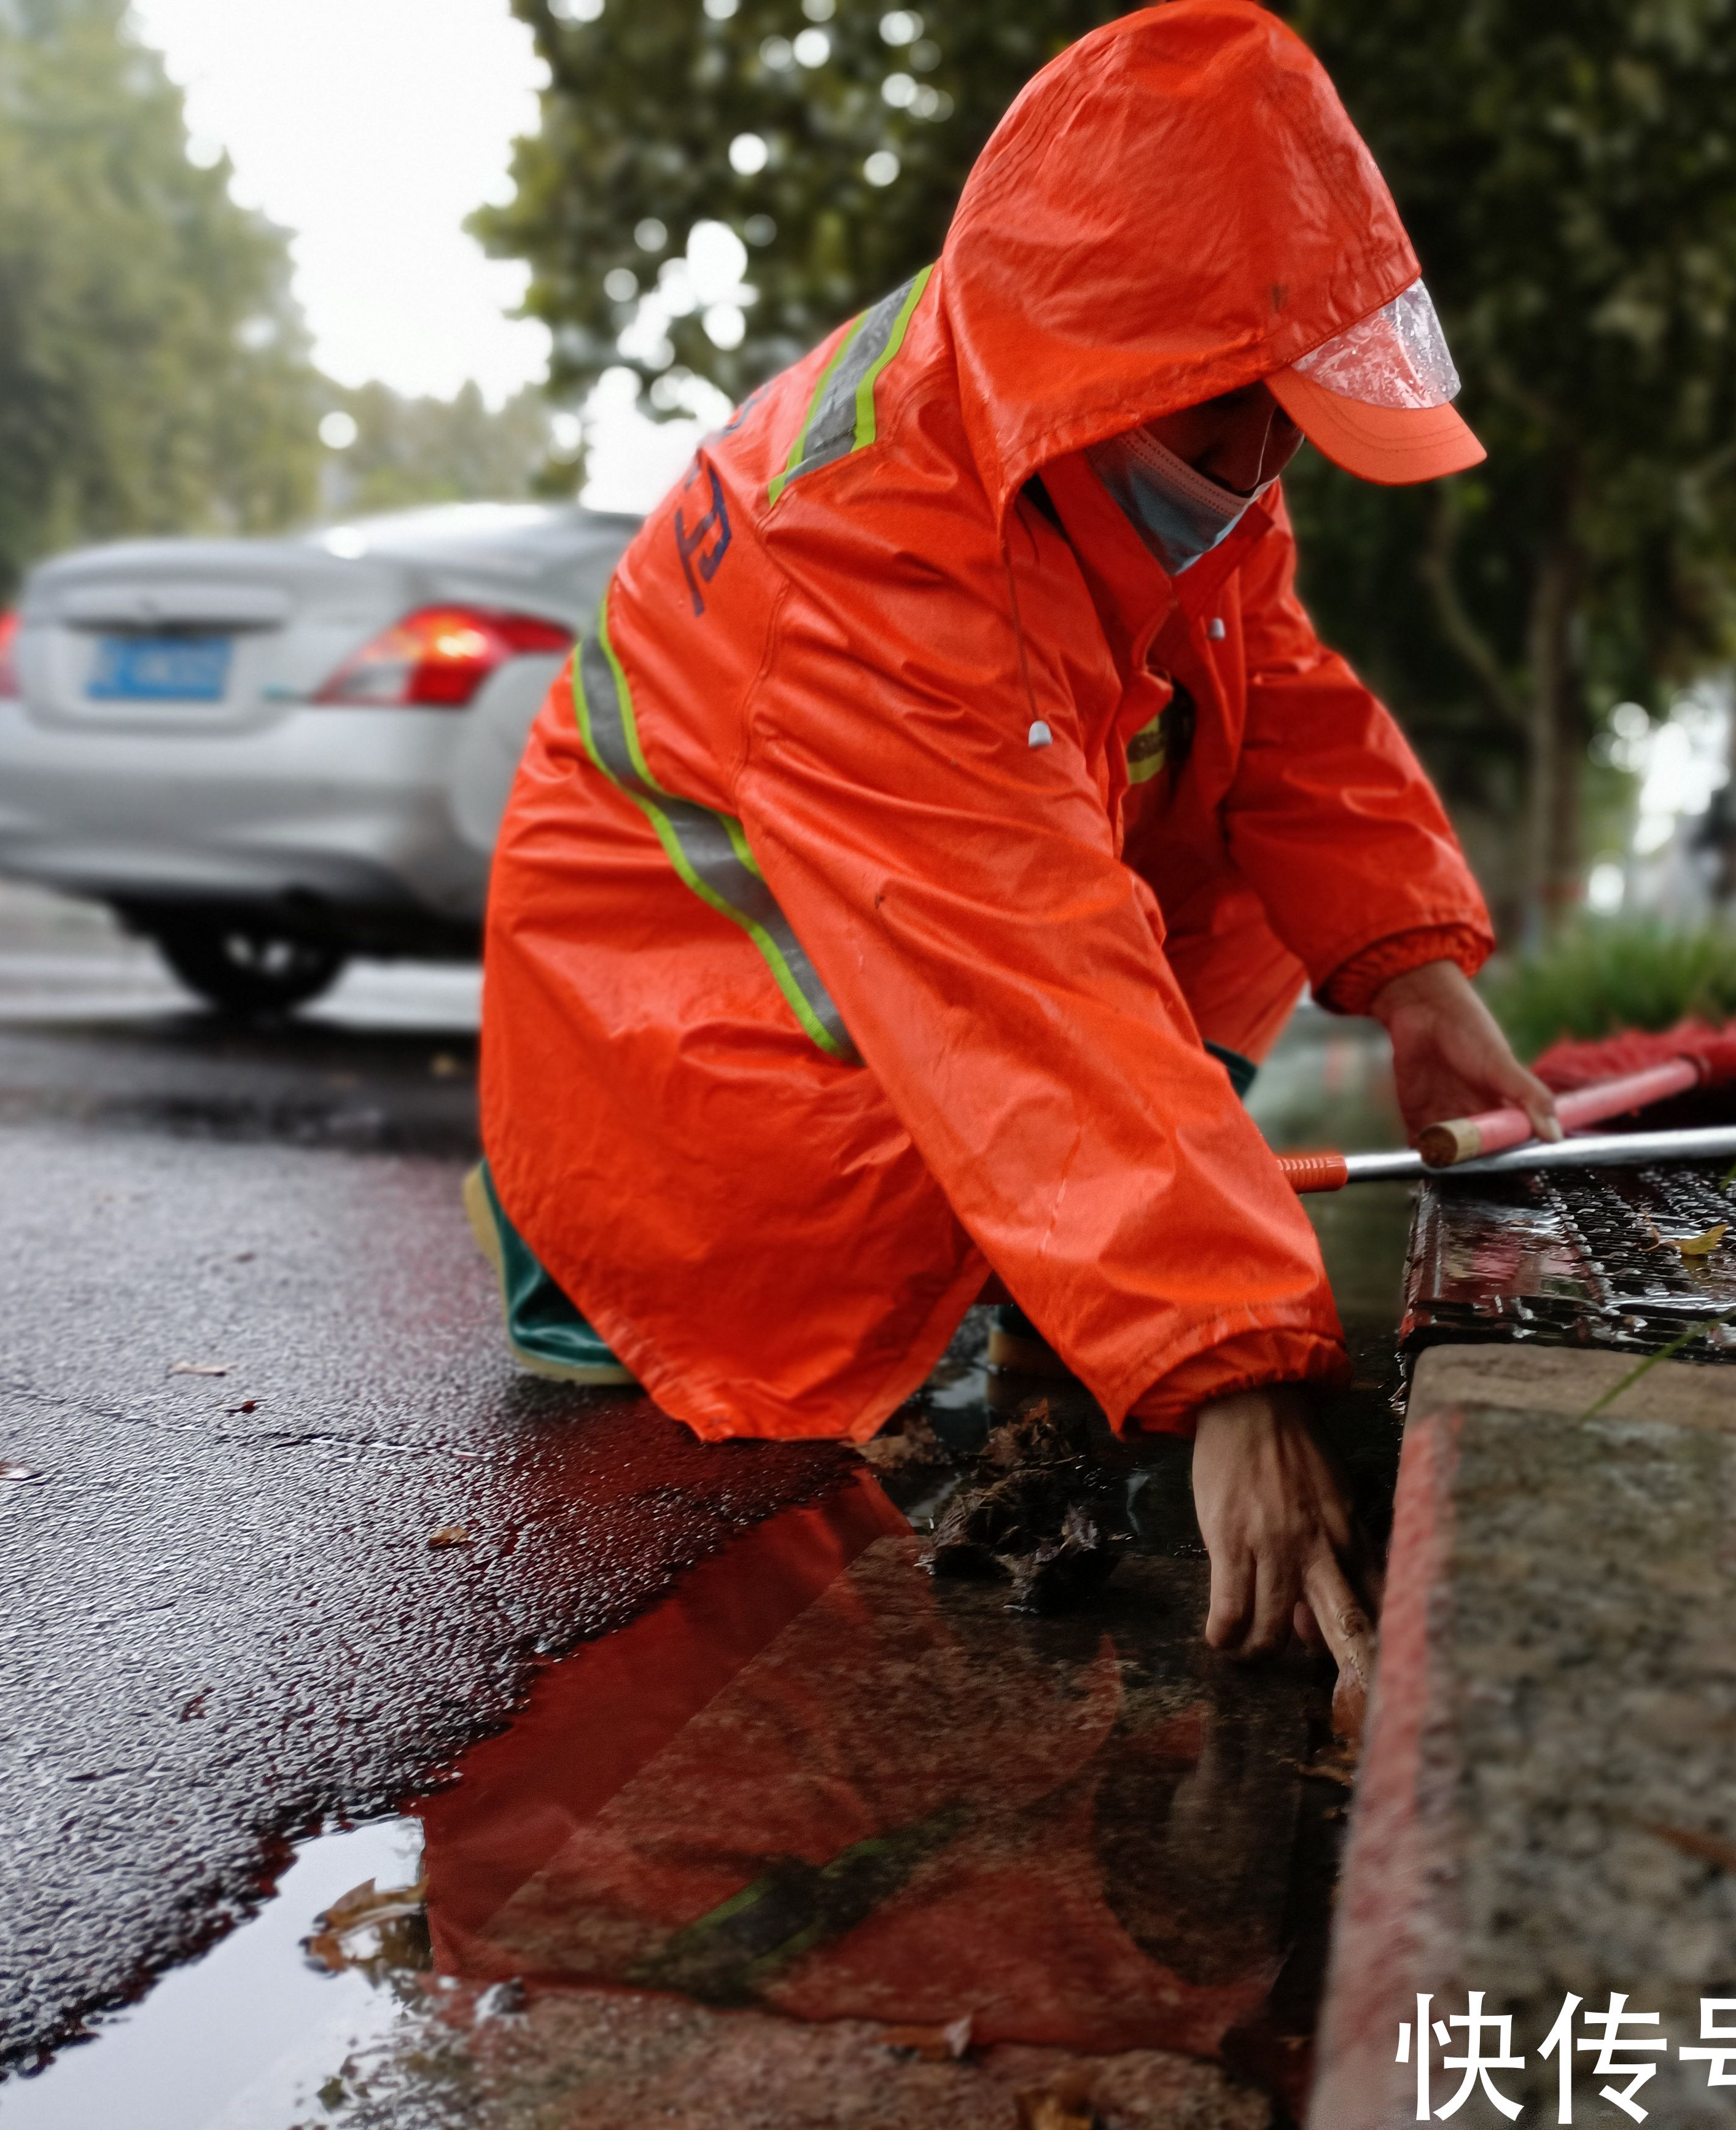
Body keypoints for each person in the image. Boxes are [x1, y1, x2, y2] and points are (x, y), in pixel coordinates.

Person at [471, 0, 1556, 1660]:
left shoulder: (1124, 427)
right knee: (739, 1572)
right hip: (673, 1085)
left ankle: (1061, 1299)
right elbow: (1021, 961)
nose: (1259, 465)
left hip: (857, 1000)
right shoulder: (870, 555)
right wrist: (1233, 1359)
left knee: (1235, 785)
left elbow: (1278, 685)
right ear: (1098, 370)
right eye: (1223, 427)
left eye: (1281, 418)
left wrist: (1417, 971)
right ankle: (974, 1328)